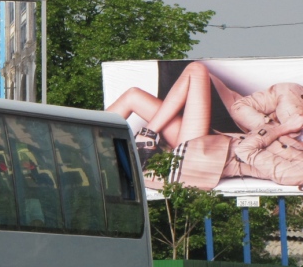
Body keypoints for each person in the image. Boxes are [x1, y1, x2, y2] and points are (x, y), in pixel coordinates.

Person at [105, 61, 303, 187]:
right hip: (213, 139)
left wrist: (283, 128)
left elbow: (245, 151)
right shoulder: (293, 97)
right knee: (133, 96)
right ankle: (77, 139)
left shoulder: (298, 173)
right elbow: (243, 108)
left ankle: (148, 135)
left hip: (205, 158)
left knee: (196, 70)